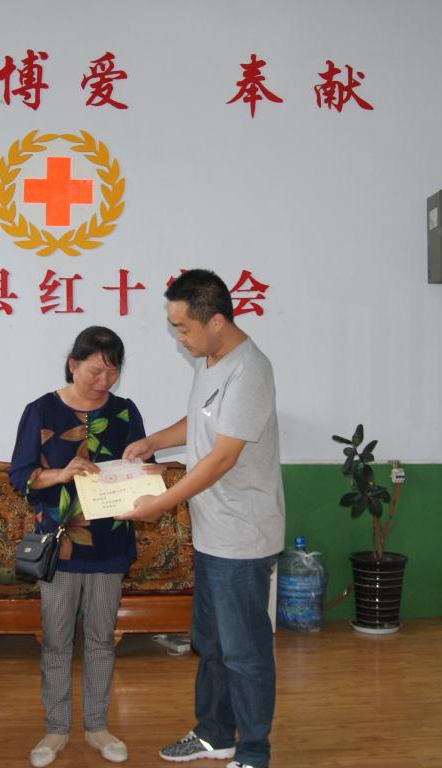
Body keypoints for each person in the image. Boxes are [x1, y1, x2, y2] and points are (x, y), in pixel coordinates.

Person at [118, 269, 284, 768]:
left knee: (245, 652)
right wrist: (154, 441)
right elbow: (201, 423)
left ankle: (253, 752)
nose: (179, 337)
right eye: (174, 327)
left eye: (183, 327)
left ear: (215, 321)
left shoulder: (249, 370)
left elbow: (223, 457)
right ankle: (215, 734)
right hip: (211, 533)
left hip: (242, 537)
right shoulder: (208, 361)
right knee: (211, 644)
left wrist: (161, 502)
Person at [10, 326, 149, 768]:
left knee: (101, 639)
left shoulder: (125, 412)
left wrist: (148, 479)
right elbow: (21, 476)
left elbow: (142, 468)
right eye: (95, 371)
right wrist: (62, 474)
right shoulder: (41, 410)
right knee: (56, 640)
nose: (103, 381)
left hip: (110, 544)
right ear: (73, 364)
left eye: (112, 372)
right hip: (60, 545)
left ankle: (97, 726)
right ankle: (55, 729)